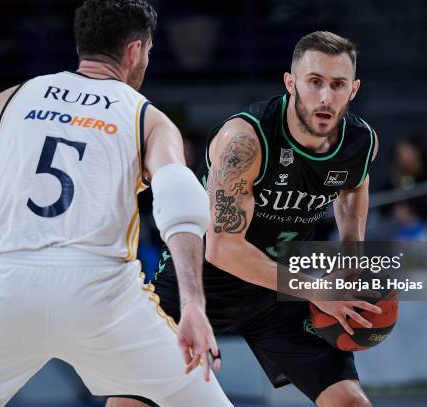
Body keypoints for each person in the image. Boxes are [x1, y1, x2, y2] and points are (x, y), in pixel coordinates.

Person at [0, 1, 232, 406]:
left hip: (3, 292)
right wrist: (192, 304)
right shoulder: (145, 116)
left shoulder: (16, 97)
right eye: (149, 53)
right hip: (99, 301)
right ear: (135, 51)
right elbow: (177, 194)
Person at [110, 31, 380, 407]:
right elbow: (222, 249)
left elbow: (353, 186)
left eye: (338, 85)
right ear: (291, 83)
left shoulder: (360, 141)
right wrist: (318, 290)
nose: (325, 97)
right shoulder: (245, 139)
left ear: (353, 90)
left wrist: (352, 258)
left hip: (277, 290)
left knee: (352, 403)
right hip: (202, 284)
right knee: (130, 403)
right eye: (314, 82)